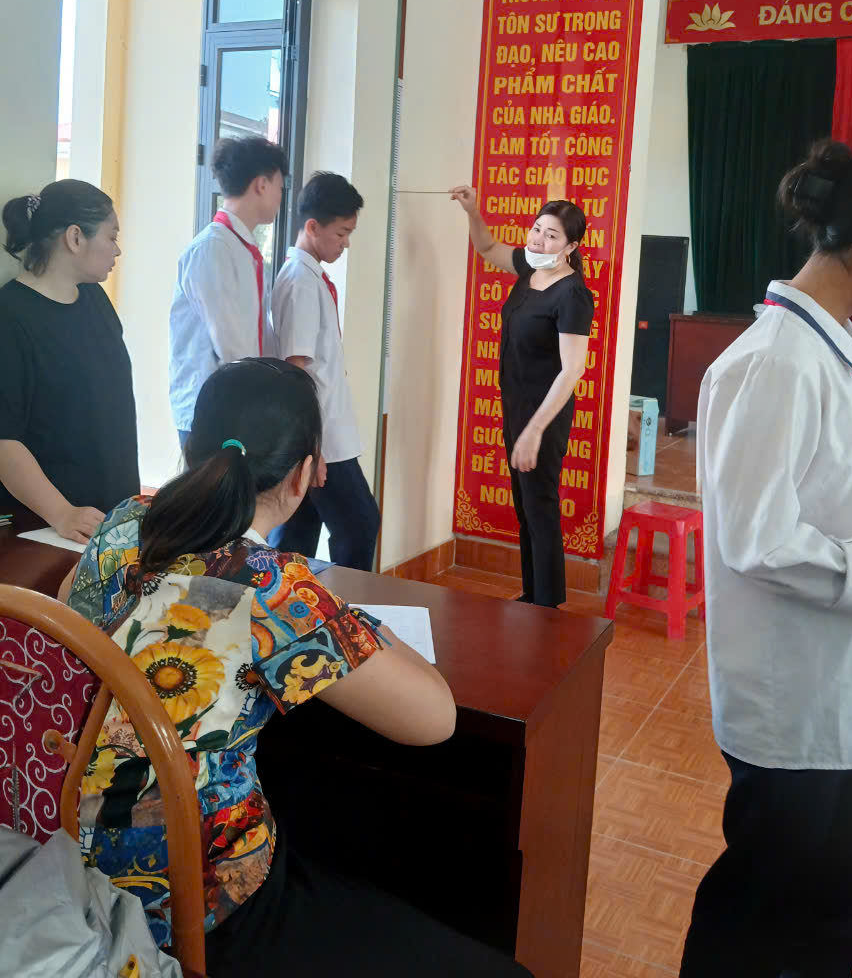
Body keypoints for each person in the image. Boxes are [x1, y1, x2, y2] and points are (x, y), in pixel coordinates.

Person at [67, 357, 531, 978]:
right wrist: (335, 614)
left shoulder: (126, 518)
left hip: (73, 854)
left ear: (192, 447)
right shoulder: (273, 589)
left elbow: (70, 616)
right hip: (197, 905)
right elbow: (434, 718)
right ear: (304, 475)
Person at [680, 139, 852, 978]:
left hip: (831, 688)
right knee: (767, 923)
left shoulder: (835, 344)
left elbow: (833, 484)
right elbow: (761, 537)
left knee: (825, 910)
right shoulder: (773, 363)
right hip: (791, 702)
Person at [450, 187, 593, 606]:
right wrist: (473, 211)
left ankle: (547, 607)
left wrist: (534, 430)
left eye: (551, 235)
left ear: (571, 247)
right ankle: (534, 597)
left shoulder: (572, 294)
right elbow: (486, 247)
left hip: (543, 415)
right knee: (526, 506)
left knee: (540, 505)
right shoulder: (529, 268)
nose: (538, 240)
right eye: (536, 229)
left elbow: (572, 369)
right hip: (515, 406)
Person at [0, 180, 138, 542]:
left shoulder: (94, 299)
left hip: (112, 516)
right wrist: (62, 512)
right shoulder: (10, 317)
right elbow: (4, 441)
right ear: (75, 238)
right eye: (111, 236)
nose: (117, 249)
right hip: (49, 530)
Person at [268, 171, 379, 568]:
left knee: (297, 535)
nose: (345, 243)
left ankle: (289, 599)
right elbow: (296, 370)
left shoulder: (310, 276)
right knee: (360, 525)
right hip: (322, 438)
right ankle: (348, 604)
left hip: (323, 434)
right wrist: (313, 448)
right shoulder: (301, 281)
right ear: (313, 227)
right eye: (341, 233)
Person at [169, 137, 287, 445]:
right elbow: (231, 342)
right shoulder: (213, 249)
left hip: (237, 405)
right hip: (212, 411)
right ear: (261, 184)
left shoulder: (241, 249)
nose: (280, 196)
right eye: (279, 187)